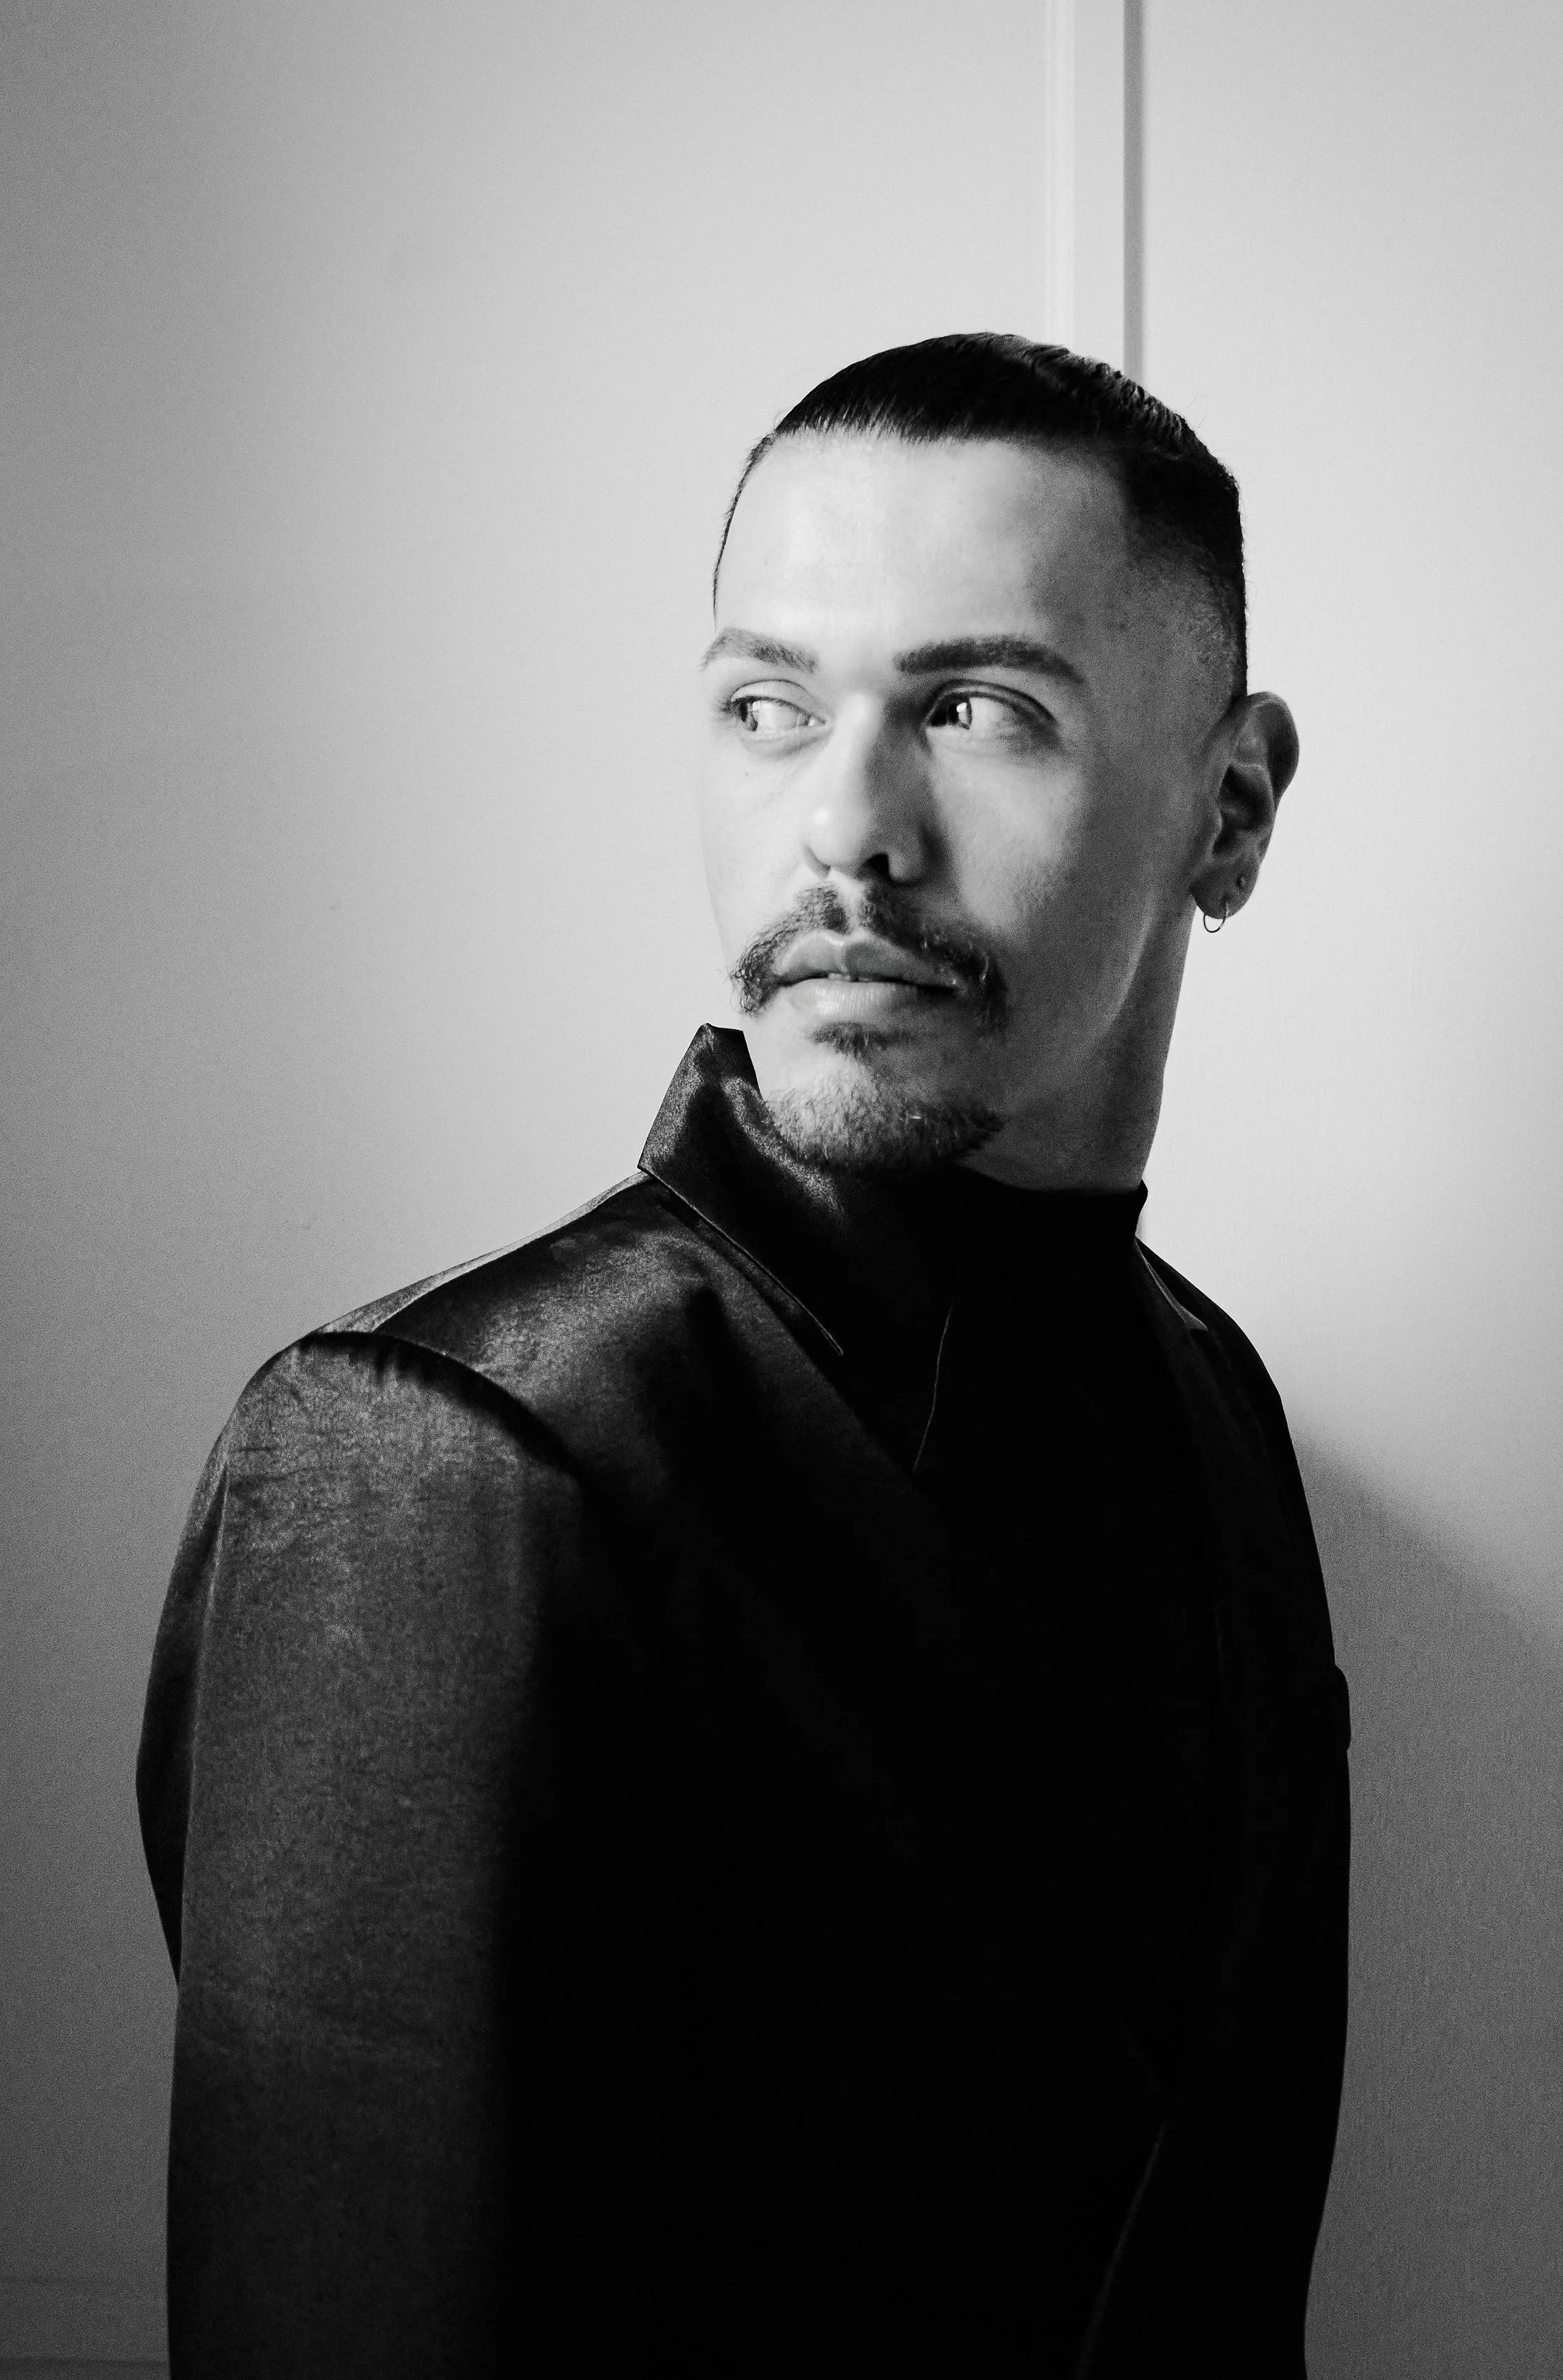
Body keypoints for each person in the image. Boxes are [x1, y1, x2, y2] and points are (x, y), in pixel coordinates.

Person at [138, 331, 1350, 2378]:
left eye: (975, 709)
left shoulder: (1217, 1403)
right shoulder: (444, 1458)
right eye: (768, 707)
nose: (842, 831)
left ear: (1224, 810)